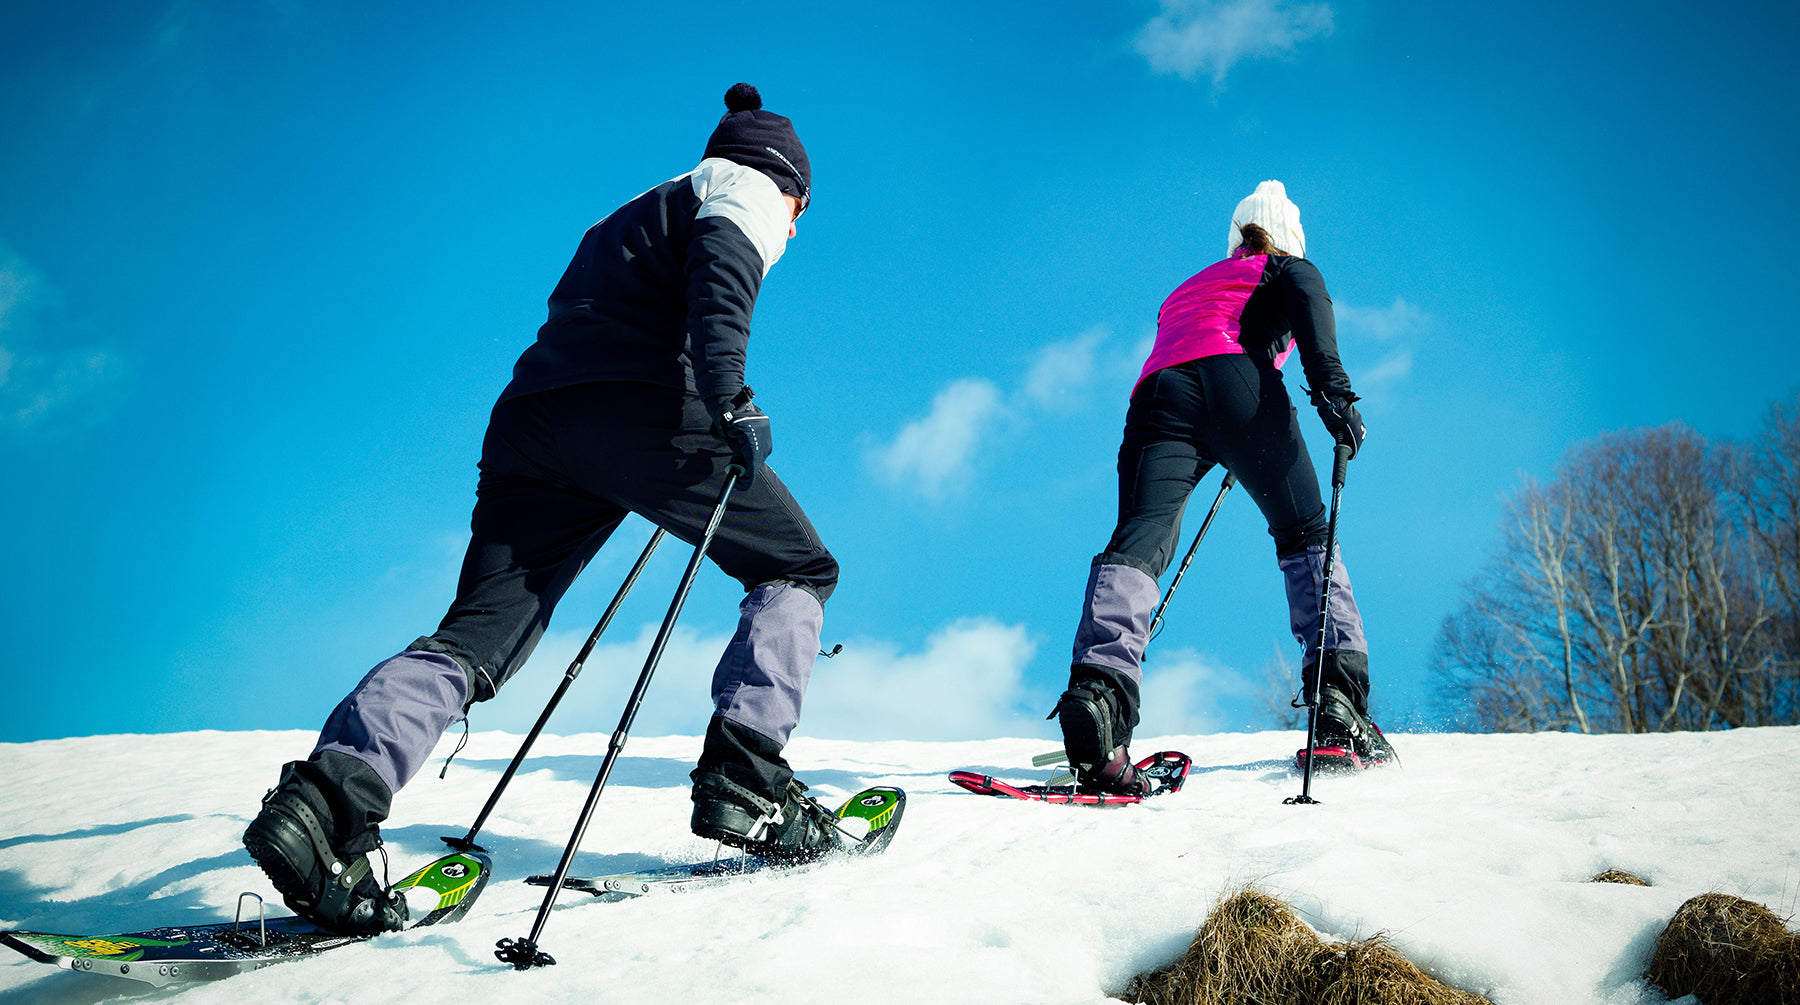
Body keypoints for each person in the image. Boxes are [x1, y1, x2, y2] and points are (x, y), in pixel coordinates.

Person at [241, 83, 847, 935]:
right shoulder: (742, 185)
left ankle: (324, 803)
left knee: (479, 633)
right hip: (641, 412)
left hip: (532, 420)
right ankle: (750, 775)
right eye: (801, 213)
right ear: (790, 187)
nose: (793, 230)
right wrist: (731, 395)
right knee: (798, 565)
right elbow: (720, 286)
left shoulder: (631, 209)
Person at [1051, 180, 1395, 794]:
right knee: (1305, 533)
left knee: (1139, 541)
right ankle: (1339, 710)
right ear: (1288, 238)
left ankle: (1099, 701)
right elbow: (1312, 334)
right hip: (1240, 384)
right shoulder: (1290, 269)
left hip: (1157, 393)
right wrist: (1337, 403)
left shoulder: (1187, 287)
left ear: (1234, 239)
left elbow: (1194, 349)